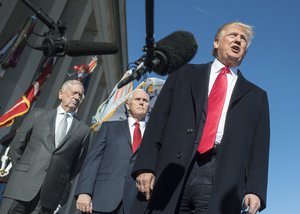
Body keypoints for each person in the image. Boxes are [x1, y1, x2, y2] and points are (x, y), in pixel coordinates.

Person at [132, 22, 270, 214]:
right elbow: (158, 120)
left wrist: (255, 189)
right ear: (216, 42)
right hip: (174, 167)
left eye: (243, 39)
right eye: (232, 35)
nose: (238, 40)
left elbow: (259, 148)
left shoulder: (257, 96)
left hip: (221, 175)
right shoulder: (183, 74)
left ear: (245, 51)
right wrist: (146, 166)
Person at [0, 80, 90, 214]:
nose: (77, 97)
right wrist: (24, 172)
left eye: (80, 96)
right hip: (22, 188)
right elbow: (17, 146)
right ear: (61, 94)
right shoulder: (38, 115)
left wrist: (57, 179)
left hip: (49, 196)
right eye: (74, 93)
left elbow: (76, 166)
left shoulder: (83, 130)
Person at [75, 89, 150, 214]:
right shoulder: (109, 127)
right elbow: (93, 160)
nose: (141, 103)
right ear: (128, 105)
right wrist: (84, 192)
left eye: (145, 100)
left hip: (137, 203)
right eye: (137, 99)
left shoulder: (154, 135)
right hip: (103, 199)